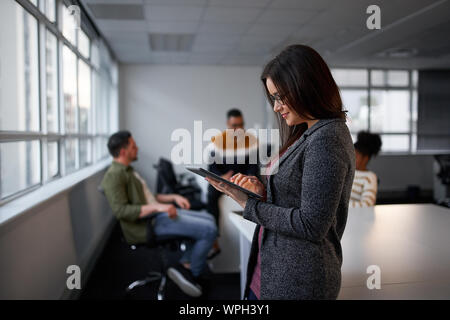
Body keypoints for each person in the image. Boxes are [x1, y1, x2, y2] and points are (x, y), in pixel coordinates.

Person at [206, 45, 356, 300]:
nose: (276, 107)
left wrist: (248, 204)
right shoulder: (307, 133)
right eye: (273, 98)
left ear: (306, 87)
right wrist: (263, 191)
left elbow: (311, 225)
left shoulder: (326, 138)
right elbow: (297, 197)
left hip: (298, 280)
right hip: (274, 268)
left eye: (280, 96)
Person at [101, 131, 217, 297]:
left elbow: (148, 198)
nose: (137, 149)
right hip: (147, 225)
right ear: (123, 152)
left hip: (156, 216)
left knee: (209, 218)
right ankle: (193, 274)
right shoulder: (114, 176)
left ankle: (185, 264)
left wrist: (173, 197)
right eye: (133, 146)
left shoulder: (128, 170)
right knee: (209, 230)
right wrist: (159, 208)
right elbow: (121, 211)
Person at [350, 131, 382, 207]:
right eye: (351, 154)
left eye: (356, 156)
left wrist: (340, 207)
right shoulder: (347, 172)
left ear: (365, 158)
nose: (351, 158)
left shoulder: (370, 177)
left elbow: (367, 204)